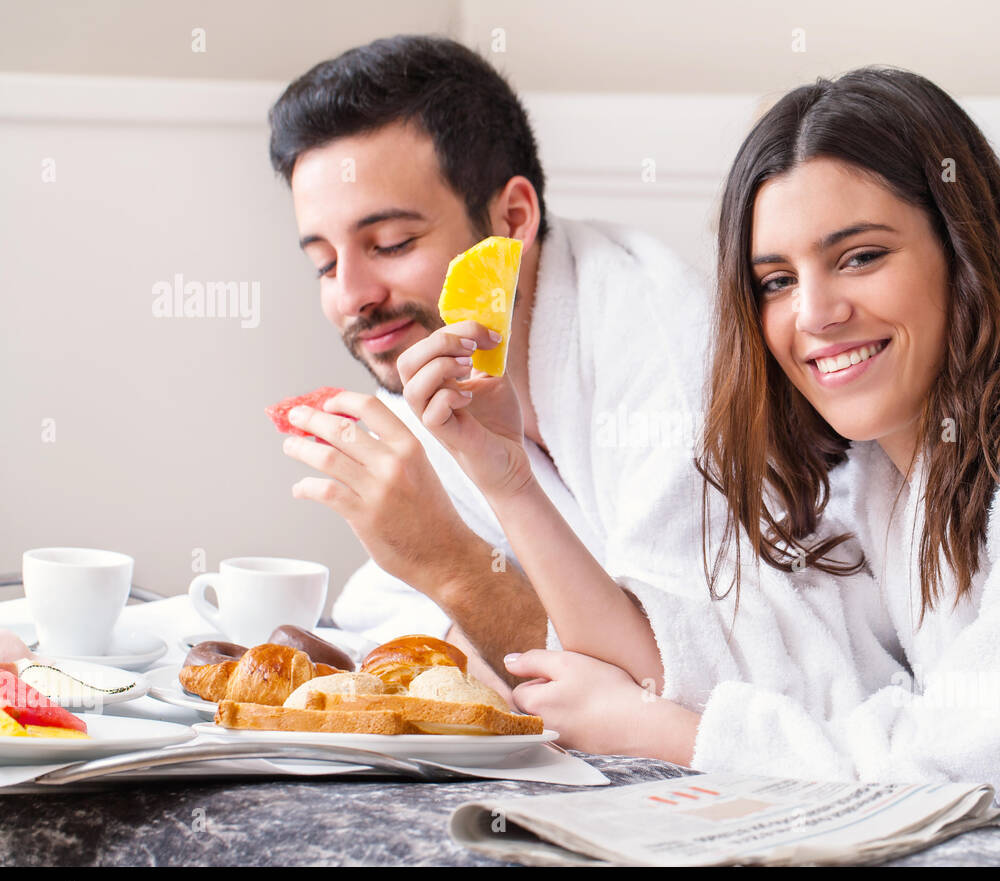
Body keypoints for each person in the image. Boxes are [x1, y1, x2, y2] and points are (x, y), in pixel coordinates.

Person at [498, 66, 1000, 802]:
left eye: (859, 256)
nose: (813, 315)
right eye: (776, 280)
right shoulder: (889, 465)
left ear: (964, 243)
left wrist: (667, 736)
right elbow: (775, 674)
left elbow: (983, 772)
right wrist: (502, 474)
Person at [267, 35, 901, 754]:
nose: (353, 296)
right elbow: (395, 630)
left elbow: (677, 689)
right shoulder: (441, 358)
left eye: (389, 244)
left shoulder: (658, 340)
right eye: (324, 263)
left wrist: (449, 563)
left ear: (512, 220)